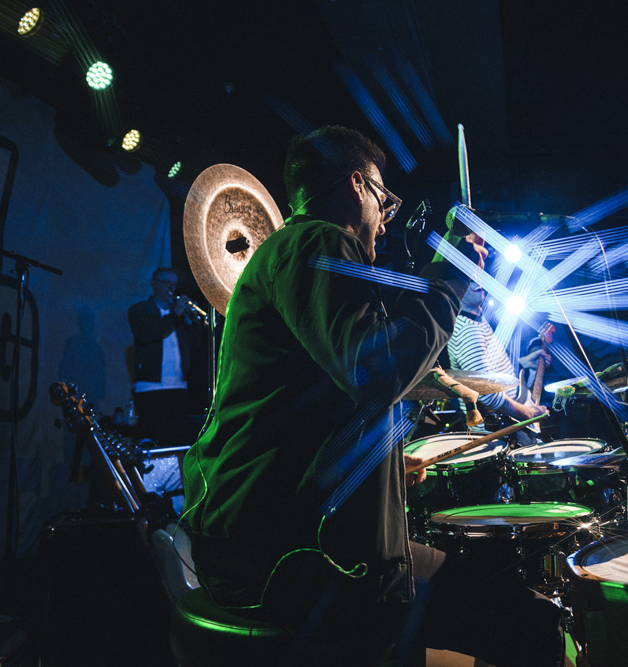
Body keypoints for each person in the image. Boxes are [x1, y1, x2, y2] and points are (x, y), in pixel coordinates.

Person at [180, 126, 565, 666]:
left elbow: (324, 402)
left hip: (270, 542)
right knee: (525, 619)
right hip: (291, 556)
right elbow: (379, 372)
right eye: (384, 199)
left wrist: (380, 466)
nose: (385, 218)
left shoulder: (295, 256)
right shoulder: (316, 240)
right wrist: (450, 275)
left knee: (470, 597)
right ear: (358, 185)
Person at [447, 282, 550, 426]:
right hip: (499, 430)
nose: (477, 282)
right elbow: (488, 395)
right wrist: (529, 413)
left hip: (508, 419)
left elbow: (488, 369)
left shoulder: (476, 319)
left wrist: (524, 363)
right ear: (453, 287)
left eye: (478, 274)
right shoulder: (467, 330)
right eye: (469, 279)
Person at [127, 267, 202, 443]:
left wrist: (193, 322)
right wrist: (175, 315)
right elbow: (147, 335)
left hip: (178, 387)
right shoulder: (140, 310)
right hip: (150, 388)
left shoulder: (179, 315)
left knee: (175, 440)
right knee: (150, 439)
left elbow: (194, 345)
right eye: (166, 282)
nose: (171, 288)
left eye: (174, 284)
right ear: (153, 284)